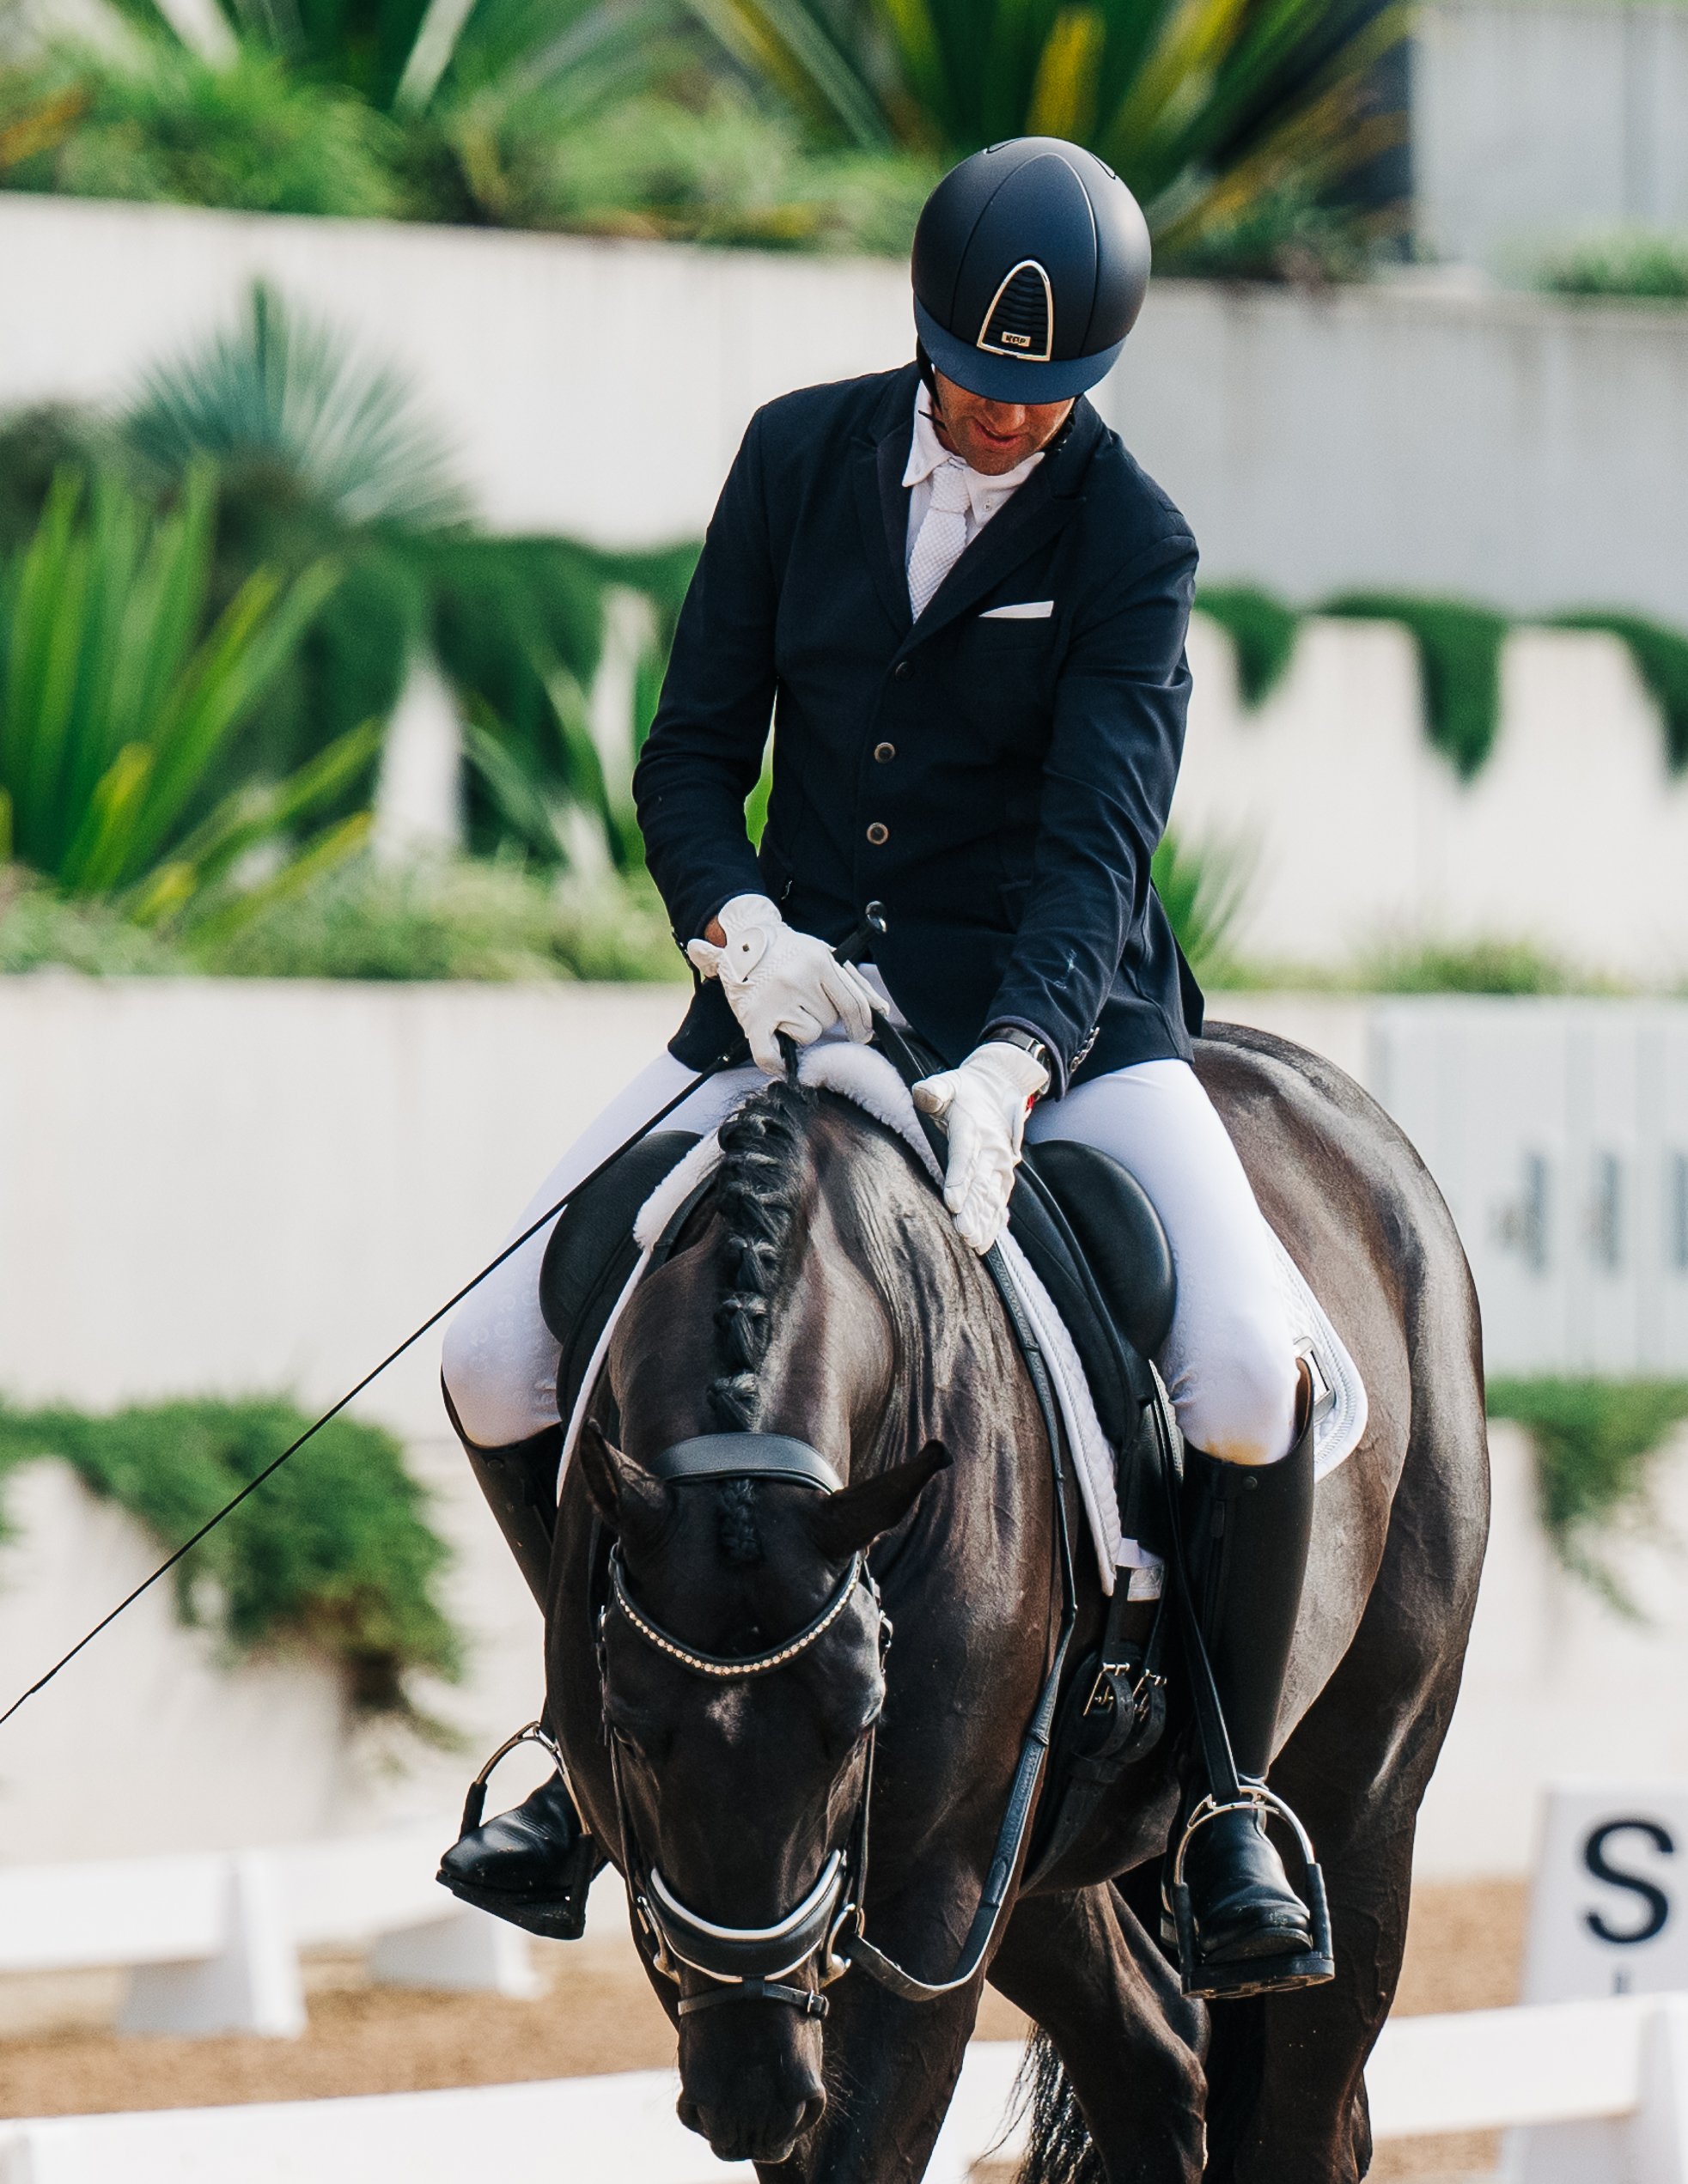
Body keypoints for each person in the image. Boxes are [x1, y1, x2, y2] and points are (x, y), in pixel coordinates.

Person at [438, 137, 1321, 1993]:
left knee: (1245, 1369)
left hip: (1057, 1031)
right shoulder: (795, 456)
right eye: (979, 389)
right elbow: (689, 751)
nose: (1005, 422)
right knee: (496, 1354)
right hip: (794, 1005)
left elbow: (1098, 844)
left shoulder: (1129, 537)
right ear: (924, 342)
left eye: (1044, 400)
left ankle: (1227, 1791)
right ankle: (585, 1756)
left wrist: (1011, 1061)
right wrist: (740, 933)